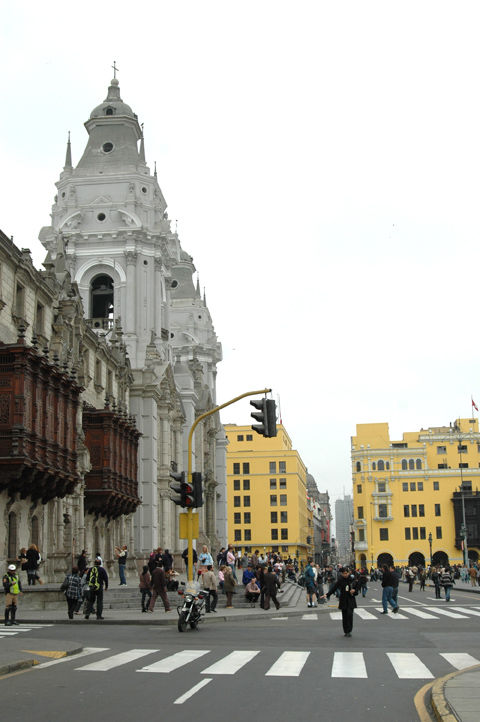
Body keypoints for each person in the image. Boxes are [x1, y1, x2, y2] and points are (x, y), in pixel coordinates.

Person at [324, 567, 358, 637]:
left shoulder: (352, 580)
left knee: (349, 615)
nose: (346, 575)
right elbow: (334, 588)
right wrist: (327, 594)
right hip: (343, 600)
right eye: (344, 573)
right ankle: (346, 631)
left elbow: (356, 589)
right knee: (345, 616)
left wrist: (354, 591)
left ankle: (349, 630)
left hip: (351, 600)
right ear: (342, 574)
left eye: (347, 573)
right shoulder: (340, 580)